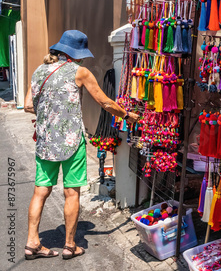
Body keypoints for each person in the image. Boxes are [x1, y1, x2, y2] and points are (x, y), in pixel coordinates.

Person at [23, 30, 139, 260]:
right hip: (71, 143)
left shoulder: (39, 70)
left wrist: (49, 114)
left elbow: (28, 105)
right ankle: (69, 245)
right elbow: (104, 102)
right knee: (71, 192)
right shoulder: (80, 72)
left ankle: (32, 243)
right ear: (76, 54)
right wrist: (127, 115)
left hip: (45, 141)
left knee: (40, 191)